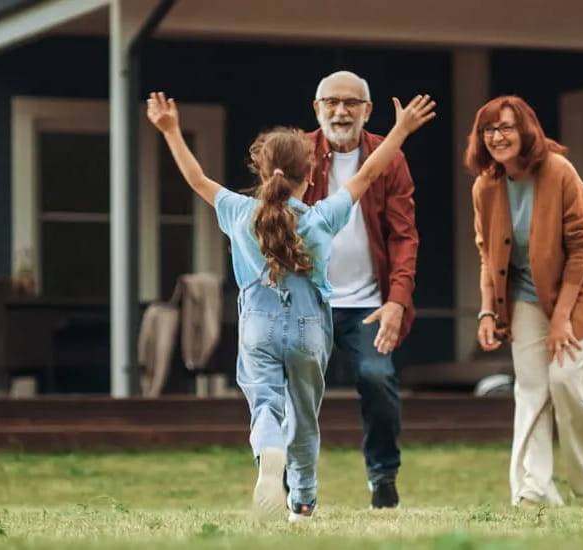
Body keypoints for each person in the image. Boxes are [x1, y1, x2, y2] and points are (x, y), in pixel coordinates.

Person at [146, 91, 435, 521]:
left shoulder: (238, 212)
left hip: (258, 325)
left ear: (262, 170)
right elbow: (371, 171)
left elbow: (195, 178)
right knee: (304, 416)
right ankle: (302, 503)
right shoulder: (321, 218)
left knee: (265, 403)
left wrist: (170, 130)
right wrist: (401, 130)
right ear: (311, 172)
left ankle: (269, 452)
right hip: (308, 329)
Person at [465, 95, 583, 508]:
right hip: (525, 295)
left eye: (506, 127)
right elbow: (488, 253)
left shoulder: (558, 171)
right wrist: (487, 309)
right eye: (489, 130)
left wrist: (563, 318)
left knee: (570, 381)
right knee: (532, 387)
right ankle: (534, 488)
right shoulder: (485, 186)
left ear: (526, 130)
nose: (497, 137)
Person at [302, 71, 419, 509]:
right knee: (296, 390)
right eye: (331, 101)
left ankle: (383, 475)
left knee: (377, 377)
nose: (340, 111)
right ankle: (294, 484)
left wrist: (396, 300)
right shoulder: (300, 152)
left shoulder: (388, 159)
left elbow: (404, 236)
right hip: (308, 301)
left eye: (351, 103)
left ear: (368, 111)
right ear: (317, 108)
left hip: (369, 302)